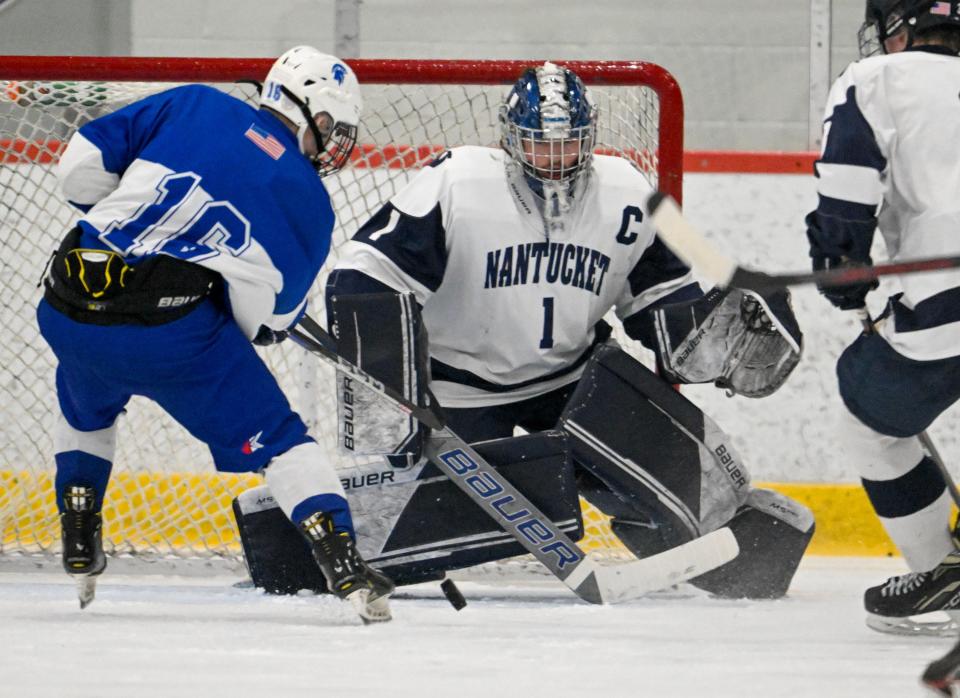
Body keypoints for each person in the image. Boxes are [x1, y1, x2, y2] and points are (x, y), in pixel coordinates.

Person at [322, 61, 814, 599]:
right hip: (456, 388)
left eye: (568, 144)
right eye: (538, 144)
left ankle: (725, 549)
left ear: (591, 137)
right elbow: (364, 277)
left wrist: (716, 340)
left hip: (573, 379)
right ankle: (321, 536)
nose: (554, 160)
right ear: (511, 140)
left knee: (675, 481)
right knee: (411, 537)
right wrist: (388, 401)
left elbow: (660, 297)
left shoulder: (628, 188)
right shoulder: (457, 181)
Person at [38, 45, 394, 622]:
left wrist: (131, 233)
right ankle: (346, 566)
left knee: (85, 403)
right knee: (279, 439)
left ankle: (79, 536)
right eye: (334, 130)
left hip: (66, 304)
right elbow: (268, 322)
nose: (331, 145)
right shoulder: (309, 198)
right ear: (319, 116)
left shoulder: (196, 102)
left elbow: (77, 167)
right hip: (172, 338)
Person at [804, 0, 960, 635]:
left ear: (900, 26)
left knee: (867, 417)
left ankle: (941, 578)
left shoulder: (876, 79)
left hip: (946, 304)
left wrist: (846, 275)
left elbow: (845, 197)